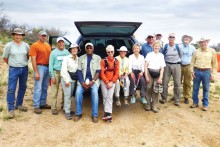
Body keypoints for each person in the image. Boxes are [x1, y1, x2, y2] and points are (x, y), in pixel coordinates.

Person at [2, 28, 29, 118]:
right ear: (13, 35)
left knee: (23, 87)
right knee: (11, 88)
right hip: (13, 69)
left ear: (22, 36)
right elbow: (5, 57)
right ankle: (11, 109)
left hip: (24, 69)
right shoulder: (9, 45)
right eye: (16, 34)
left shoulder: (26, 45)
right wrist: (12, 64)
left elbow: (28, 56)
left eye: (20, 35)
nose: (18, 36)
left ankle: (19, 104)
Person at [74, 43, 101, 123]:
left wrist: (92, 81)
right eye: (87, 48)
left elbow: (98, 71)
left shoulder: (97, 58)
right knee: (78, 92)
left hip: (93, 81)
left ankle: (95, 115)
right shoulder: (81, 58)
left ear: (93, 49)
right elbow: (78, 71)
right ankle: (78, 113)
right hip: (83, 81)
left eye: (90, 48)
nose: (89, 49)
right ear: (85, 49)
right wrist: (82, 83)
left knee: (95, 93)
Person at [190, 38, 217, 111]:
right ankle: (195, 102)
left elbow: (214, 64)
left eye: (204, 42)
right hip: (197, 71)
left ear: (207, 42)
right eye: (201, 42)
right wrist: (192, 71)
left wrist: (213, 74)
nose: (203, 43)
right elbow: (192, 62)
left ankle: (205, 104)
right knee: (195, 88)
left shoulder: (212, 51)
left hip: (207, 72)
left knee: (206, 89)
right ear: (199, 43)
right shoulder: (196, 51)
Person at [29, 31, 51, 114]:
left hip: (47, 67)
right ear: (39, 36)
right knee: (38, 87)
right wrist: (36, 72)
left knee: (45, 86)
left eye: (45, 36)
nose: (43, 37)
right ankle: (36, 106)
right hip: (39, 67)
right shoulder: (35, 45)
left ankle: (43, 103)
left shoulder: (48, 45)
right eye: (42, 35)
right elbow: (33, 59)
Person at [49, 37, 70, 115]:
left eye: (62, 42)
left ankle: (64, 106)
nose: (61, 44)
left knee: (65, 90)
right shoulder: (53, 53)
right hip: (56, 72)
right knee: (54, 91)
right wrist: (52, 76)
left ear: (64, 43)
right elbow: (50, 65)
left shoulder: (67, 52)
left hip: (64, 73)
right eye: (59, 42)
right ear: (57, 43)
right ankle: (54, 108)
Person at [160, 33, 181, 106]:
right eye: (170, 37)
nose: (171, 38)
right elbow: (163, 55)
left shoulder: (178, 46)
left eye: (173, 37)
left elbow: (180, 55)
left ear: (175, 38)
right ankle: (164, 98)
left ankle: (177, 99)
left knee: (177, 83)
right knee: (165, 82)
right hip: (167, 65)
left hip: (176, 65)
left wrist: (177, 62)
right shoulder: (165, 46)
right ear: (168, 38)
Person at [145, 41, 166, 113]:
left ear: (160, 47)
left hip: (158, 73)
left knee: (156, 90)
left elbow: (162, 68)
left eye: (158, 46)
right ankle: (148, 104)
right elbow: (145, 65)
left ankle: (154, 105)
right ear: (153, 46)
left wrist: (160, 78)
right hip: (149, 72)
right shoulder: (149, 54)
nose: (156, 47)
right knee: (149, 87)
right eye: (155, 46)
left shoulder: (161, 56)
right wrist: (146, 76)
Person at [61, 43, 80, 120]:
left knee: (70, 95)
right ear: (70, 50)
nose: (74, 50)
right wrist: (66, 80)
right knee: (67, 96)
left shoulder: (78, 58)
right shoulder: (66, 58)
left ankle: (66, 109)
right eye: (73, 48)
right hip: (67, 79)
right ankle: (67, 112)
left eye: (76, 48)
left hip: (73, 79)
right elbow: (63, 70)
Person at [100, 45, 119, 122]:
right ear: (106, 52)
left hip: (112, 82)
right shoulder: (103, 61)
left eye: (112, 51)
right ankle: (107, 113)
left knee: (109, 97)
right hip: (104, 81)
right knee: (105, 96)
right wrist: (107, 82)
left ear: (114, 51)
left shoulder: (116, 61)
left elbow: (117, 73)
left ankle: (108, 114)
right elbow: (101, 73)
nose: (110, 53)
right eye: (109, 52)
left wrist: (112, 82)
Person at [179, 35, 195, 104]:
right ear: (183, 39)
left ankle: (186, 97)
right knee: (177, 81)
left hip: (188, 66)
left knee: (187, 82)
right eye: (185, 38)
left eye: (188, 39)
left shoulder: (193, 48)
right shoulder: (179, 47)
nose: (186, 39)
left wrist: (193, 68)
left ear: (190, 40)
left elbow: (194, 58)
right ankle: (176, 95)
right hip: (179, 65)